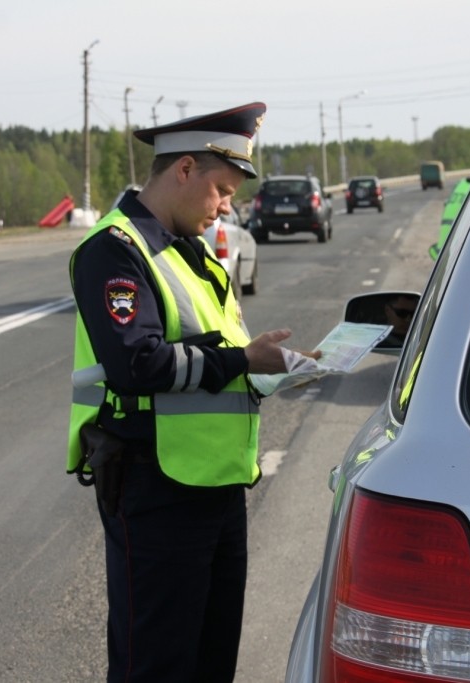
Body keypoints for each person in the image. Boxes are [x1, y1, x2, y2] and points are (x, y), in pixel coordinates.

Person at [66, 102, 319, 682]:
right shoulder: (115, 248)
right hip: (157, 486)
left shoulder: (192, 249)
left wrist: (278, 365)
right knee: (155, 664)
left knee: (210, 660)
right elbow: (138, 364)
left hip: (218, 484)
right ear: (184, 170)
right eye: (222, 190)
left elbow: (221, 357)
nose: (227, 206)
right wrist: (239, 359)